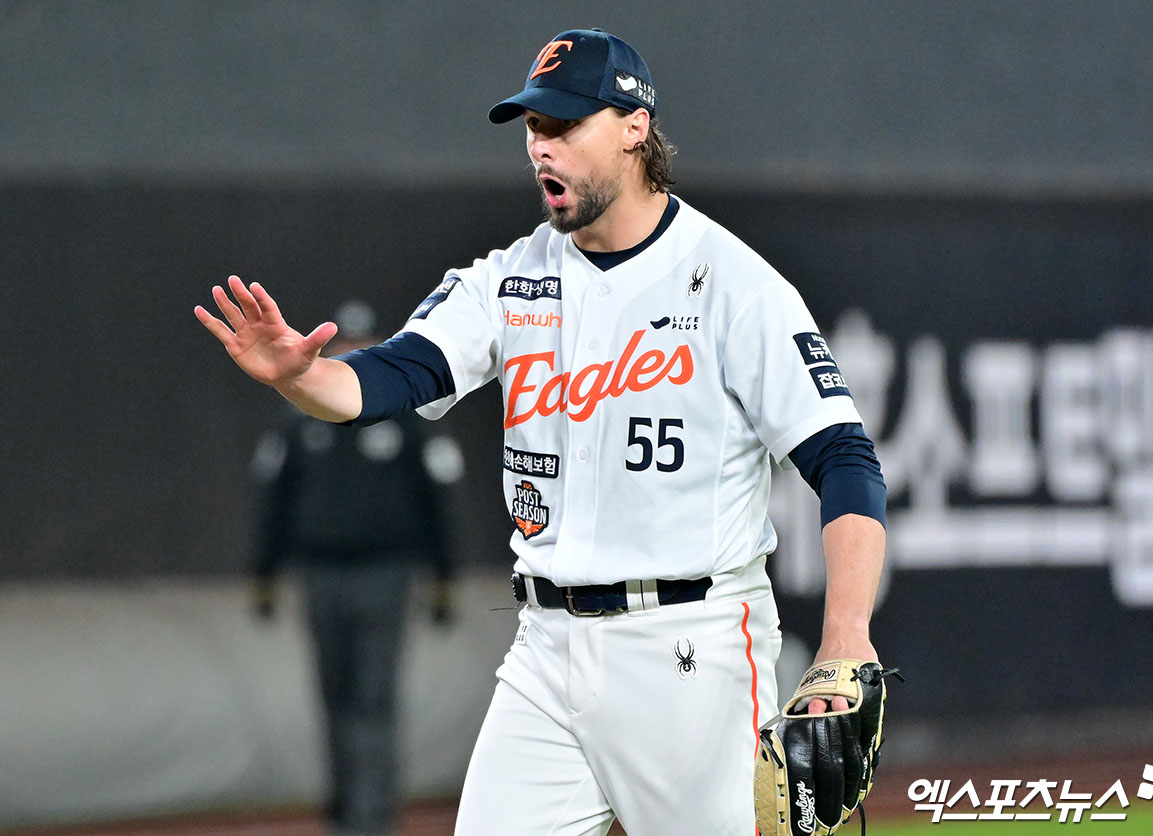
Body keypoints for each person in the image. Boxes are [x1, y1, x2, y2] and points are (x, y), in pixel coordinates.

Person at [195, 29, 888, 836]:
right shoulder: (510, 276)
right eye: (533, 129)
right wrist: (301, 377)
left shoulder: (731, 283)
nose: (541, 148)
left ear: (635, 127)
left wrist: (846, 637)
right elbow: (389, 377)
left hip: (688, 652)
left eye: (564, 126)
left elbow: (844, 457)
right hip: (544, 653)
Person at [250, 300, 462, 836]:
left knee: (373, 698)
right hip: (320, 574)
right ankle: (345, 810)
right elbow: (273, 498)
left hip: (386, 575)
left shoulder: (407, 420)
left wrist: (444, 576)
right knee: (334, 695)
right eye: (345, 347)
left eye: (365, 346)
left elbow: (438, 498)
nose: (354, 355)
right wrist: (264, 573)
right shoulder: (300, 423)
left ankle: (370, 820)